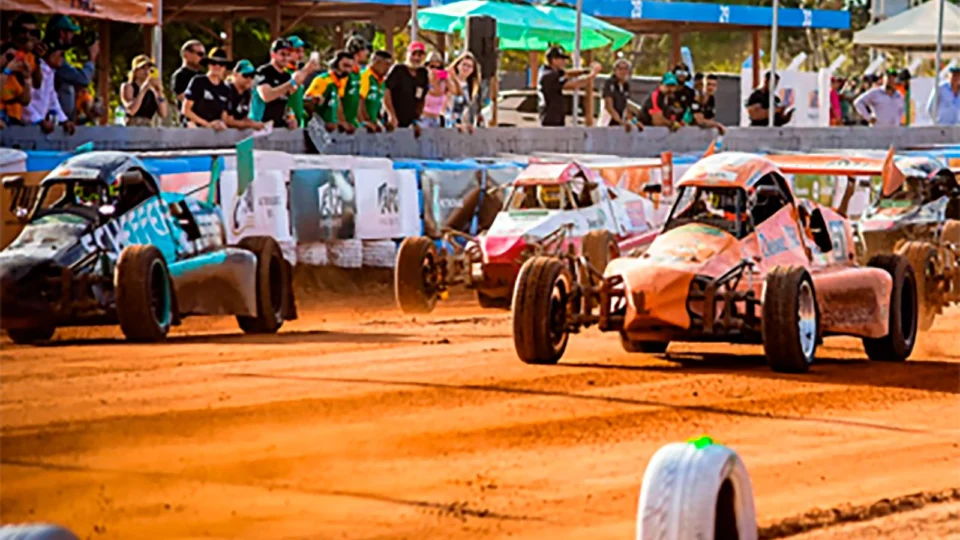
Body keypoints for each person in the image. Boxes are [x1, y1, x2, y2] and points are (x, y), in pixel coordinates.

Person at [249, 38, 320, 129]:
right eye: (282, 54)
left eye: (288, 55)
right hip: (260, 125)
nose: (285, 58)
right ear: (273, 54)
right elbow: (266, 96)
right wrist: (291, 83)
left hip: (278, 127)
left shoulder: (286, 76)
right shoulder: (263, 71)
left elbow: (287, 100)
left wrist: (290, 117)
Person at [537, 45, 601, 127]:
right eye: (562, 59)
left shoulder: (547, 70)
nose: (565, 62)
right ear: (554, 60)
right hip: (551, 118)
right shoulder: (549, 76)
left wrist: (586, 70)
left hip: (553, 115)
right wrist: (593, 74)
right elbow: (574, 84)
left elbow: (568, 73)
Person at [24, 38, 73, 135]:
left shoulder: (51, 72)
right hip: (25, 124)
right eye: (60, 54)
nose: (62, 59)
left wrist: (64, 120)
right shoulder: (35, 69)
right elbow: (24, 99)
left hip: (38, 125)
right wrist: (39, 120)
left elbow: (52, 99)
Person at [182, 48, 233, 130]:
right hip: (194, 128)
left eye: (221, 64)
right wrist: (207, 124)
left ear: (225, 68)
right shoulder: (198, 81)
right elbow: (186, 110)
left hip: (215, 132)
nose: (217, 66)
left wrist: (221, 123)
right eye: (213, 63)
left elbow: (224, 116)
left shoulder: (226, 90)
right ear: (208, 64)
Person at [384, 42, 430, 132]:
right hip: (393, 121)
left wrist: (417, 118)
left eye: (420, 55)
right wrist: (391, 115)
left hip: (410, 123)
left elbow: (421, 97)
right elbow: (386, 91)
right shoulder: (398, 70)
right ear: (407, 54)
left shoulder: (423, 73)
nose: (416, 58)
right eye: (414, 54)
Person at [305, 50, 355, 133]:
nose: (347, 70)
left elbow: (337, 102)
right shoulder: (322, 80)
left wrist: (342, 122)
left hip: (330, 132)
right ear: (335, 63)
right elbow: (307, 103)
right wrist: (321, 123)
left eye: (350, 67)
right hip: (316, 132)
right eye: (345, 65)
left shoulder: (340, 82)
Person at [120, 55, 167, 126]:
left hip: (148, 125)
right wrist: (143, 90)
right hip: (133, 125)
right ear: (135, 71)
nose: (146, 71)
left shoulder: (152, 91)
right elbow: (131, 110)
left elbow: (163, 113)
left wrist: (159, 92)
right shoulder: (128, 86)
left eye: (148, 68)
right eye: (142, 68)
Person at [2, 14, 42, 91]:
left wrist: (37, 58)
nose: (27, 36)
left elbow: (37, 84)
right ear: (15, 32)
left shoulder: (31, 55)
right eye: (23, 31)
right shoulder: (6, 50)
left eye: (32, 32)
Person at [341, 34, 372, 128]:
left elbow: (357, 100)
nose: (367, 53)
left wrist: (362, 121)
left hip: (353, 124)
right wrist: (342, 121)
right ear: (358, 51)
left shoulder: (358, 73)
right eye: (365, 49)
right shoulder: (344, 72)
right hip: (342, 127)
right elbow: (338, 99)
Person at [358, 50, 393, 132]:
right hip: (360, 127)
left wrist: (382, 122)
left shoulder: (381, 81)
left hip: (371, 127)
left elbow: (376, 104)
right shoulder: (365, 76)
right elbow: (358, 101)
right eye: (386, 65)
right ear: (376, 62)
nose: (388, 69)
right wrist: (364, 122)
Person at [447, 51, 482, 133]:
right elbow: (434, 73)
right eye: (464, 64)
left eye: (469, 66)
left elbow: (465, 109)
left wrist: (468, 124)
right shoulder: (448, 79)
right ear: (458, 65)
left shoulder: (470, 87)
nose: (466, 68)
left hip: (460, 127)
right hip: (447, 123)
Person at [171, 40, 206, 120]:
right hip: (188, 120)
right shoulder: (179, 75)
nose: (202, 58)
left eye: (203, 55)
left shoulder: (203, 75)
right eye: (199, 54)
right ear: (186, 54)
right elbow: (182, 97)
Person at [224, 60, 264, 130]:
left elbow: (243, 117)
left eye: (252, 76)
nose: (249, 79)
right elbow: (228, 120)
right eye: (245, 75)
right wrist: (250, 124)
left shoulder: (247, 92)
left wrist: (255, 123)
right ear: (235, 74)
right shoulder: (227, 90)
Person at [0, 43, 33, 126]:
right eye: (9, 57)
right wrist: (7, 70)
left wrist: (27, 79)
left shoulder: (12, 79)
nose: (12, 62)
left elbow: (25, 101)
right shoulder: (5, 74)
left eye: (15, 59)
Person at [602, 58, 635, 131]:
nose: (623, 71)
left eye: (626, 69)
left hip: (619, 123)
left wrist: (634, 122)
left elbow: (627, 108)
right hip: (608, 123)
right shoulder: (610, 83)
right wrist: (621, 122)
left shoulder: (626, 86)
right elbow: (608, 107)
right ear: (615, 70)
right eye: (620, 69)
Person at [285, 35, 308, 127]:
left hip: (298, 124)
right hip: (286, 125)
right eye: (297, 51)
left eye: (302, 51)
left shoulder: (296, 72)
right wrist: (289, 116)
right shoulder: (284, 72)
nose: (301, 55)